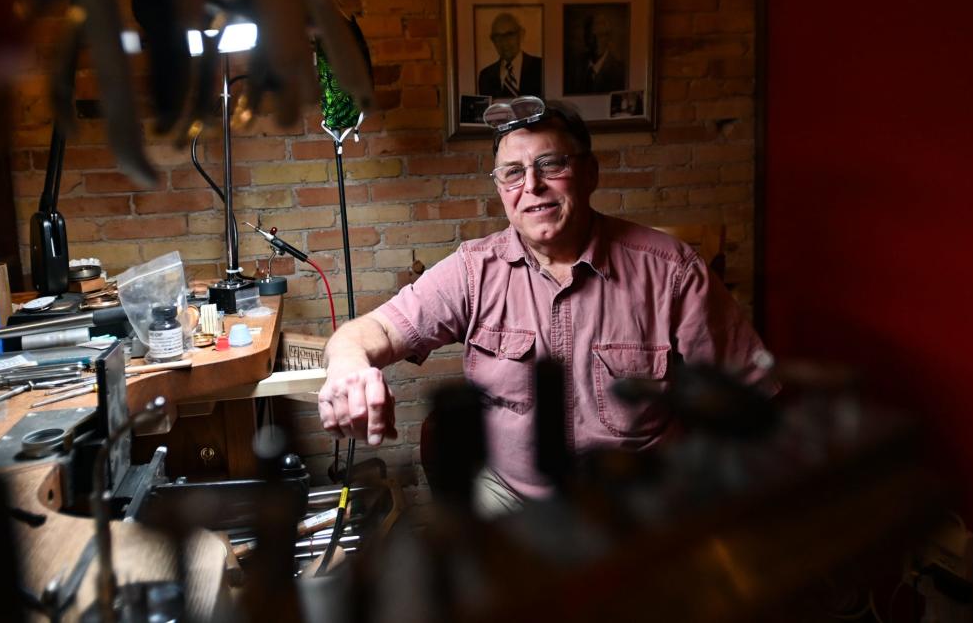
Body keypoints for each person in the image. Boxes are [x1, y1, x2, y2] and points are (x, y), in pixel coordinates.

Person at [317, 97, 774, 515]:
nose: (531, 185)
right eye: (512, 172)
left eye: (550, 164)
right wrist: (348, 368)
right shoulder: (473, 270)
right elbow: (365, 333)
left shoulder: (671, 271)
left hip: (638, 506)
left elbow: (750, 397)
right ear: (500, 188)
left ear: (590, 173)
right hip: (512, 499)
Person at [477, 13, 542, 98]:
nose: (504, 42)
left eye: (509, 34)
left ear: (521, 34)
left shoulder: (540, 68)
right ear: (492, 40)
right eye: (498, 36)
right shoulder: (486, 76)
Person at [565, 12, 627, 95]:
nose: (597, 41)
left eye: (601, 35)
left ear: (608, 38)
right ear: (585, 38)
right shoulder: (574, 66)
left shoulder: (619, 71)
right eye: (592, 36)